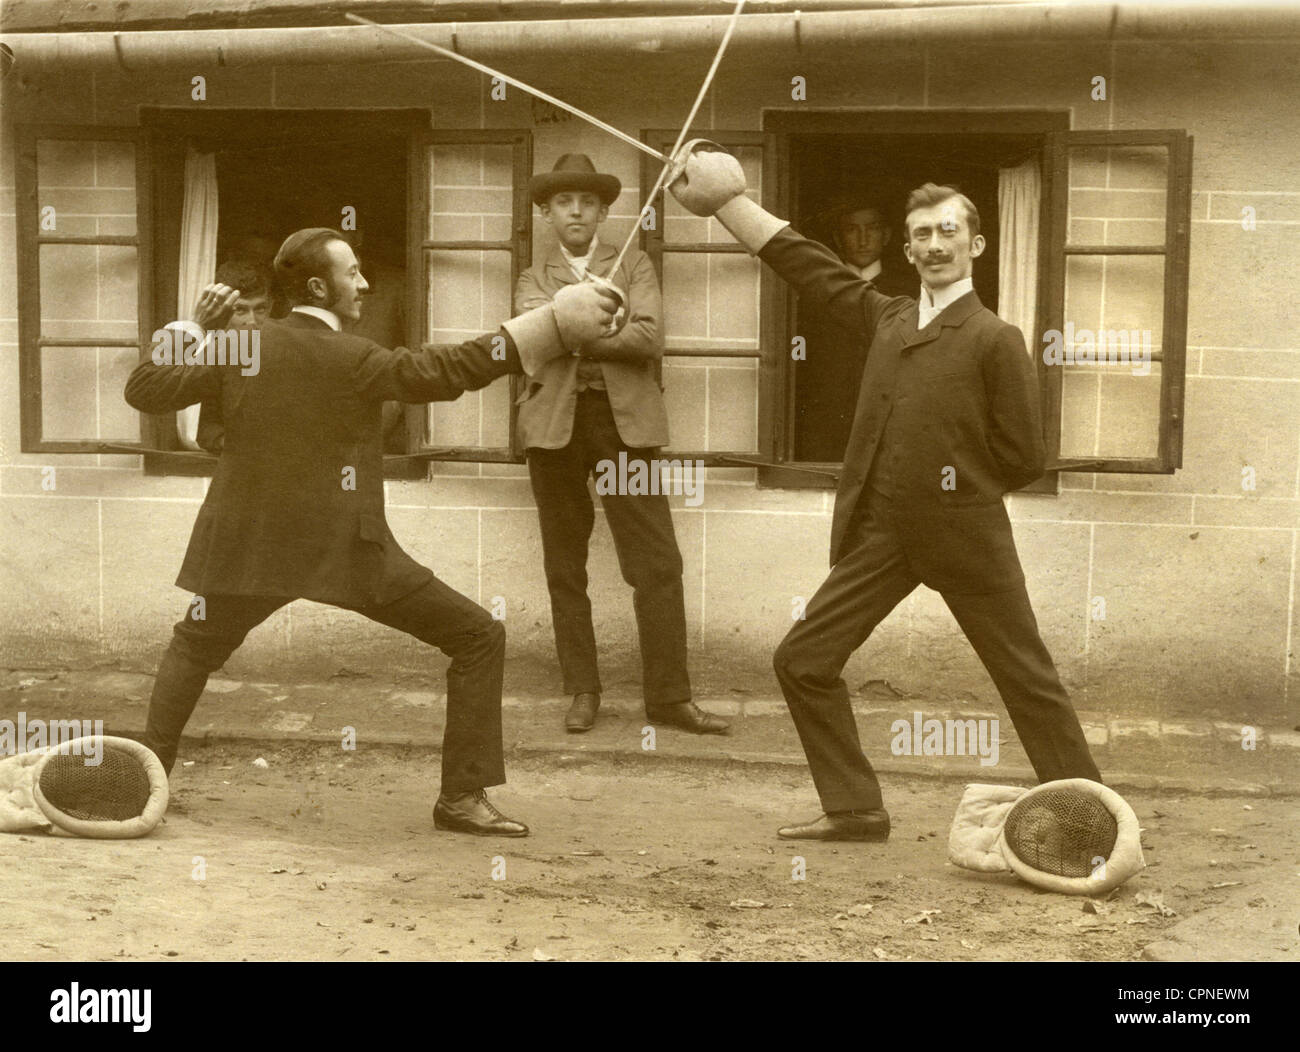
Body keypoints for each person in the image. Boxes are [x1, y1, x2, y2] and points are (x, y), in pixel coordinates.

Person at [126, 226, 618, 837]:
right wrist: (550, 325)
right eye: (351, 272)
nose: (363, 283)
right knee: (478, 636)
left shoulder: (238, 346)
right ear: (316, 286)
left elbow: (144, 390)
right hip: (347, 550)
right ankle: (460, 798)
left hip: (248, 547)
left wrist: (193, 328)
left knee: (193, 647)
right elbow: (450, 369)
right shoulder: (356, 358)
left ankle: (143, 781)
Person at [671, 154, 1101, 842]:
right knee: (803, 661)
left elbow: (1024, 458)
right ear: (908, 249)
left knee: (1027, 679)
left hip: (967, 538)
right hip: (883, 537)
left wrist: (952, 484)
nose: (935, 245)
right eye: (922, 235)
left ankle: (1092, 820)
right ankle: (855, 809)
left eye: (948, 232)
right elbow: (812, 268)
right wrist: (730, 203)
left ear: (976, 245)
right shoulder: (891, 318)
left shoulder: (997, 338)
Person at [514, 153, 727, 736]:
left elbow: (650, 336)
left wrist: (577, 334)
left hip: (623, 430)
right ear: (547, 212)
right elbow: (536, 341)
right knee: (566, 565)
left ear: (605, 210)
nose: (576, 210)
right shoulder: (532, 278)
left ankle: (669, 698)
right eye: (563, 201)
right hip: (555, 433)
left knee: (656, 563)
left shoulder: (632, 263)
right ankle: (583, 690)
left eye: (586, 200)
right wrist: (594, 328)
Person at [190, 260, 272, 455]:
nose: (251, 321)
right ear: (222, 309)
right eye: (240, 310)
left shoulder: (279, 352)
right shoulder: (205, 355)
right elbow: (200, 430)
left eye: (260, 309)